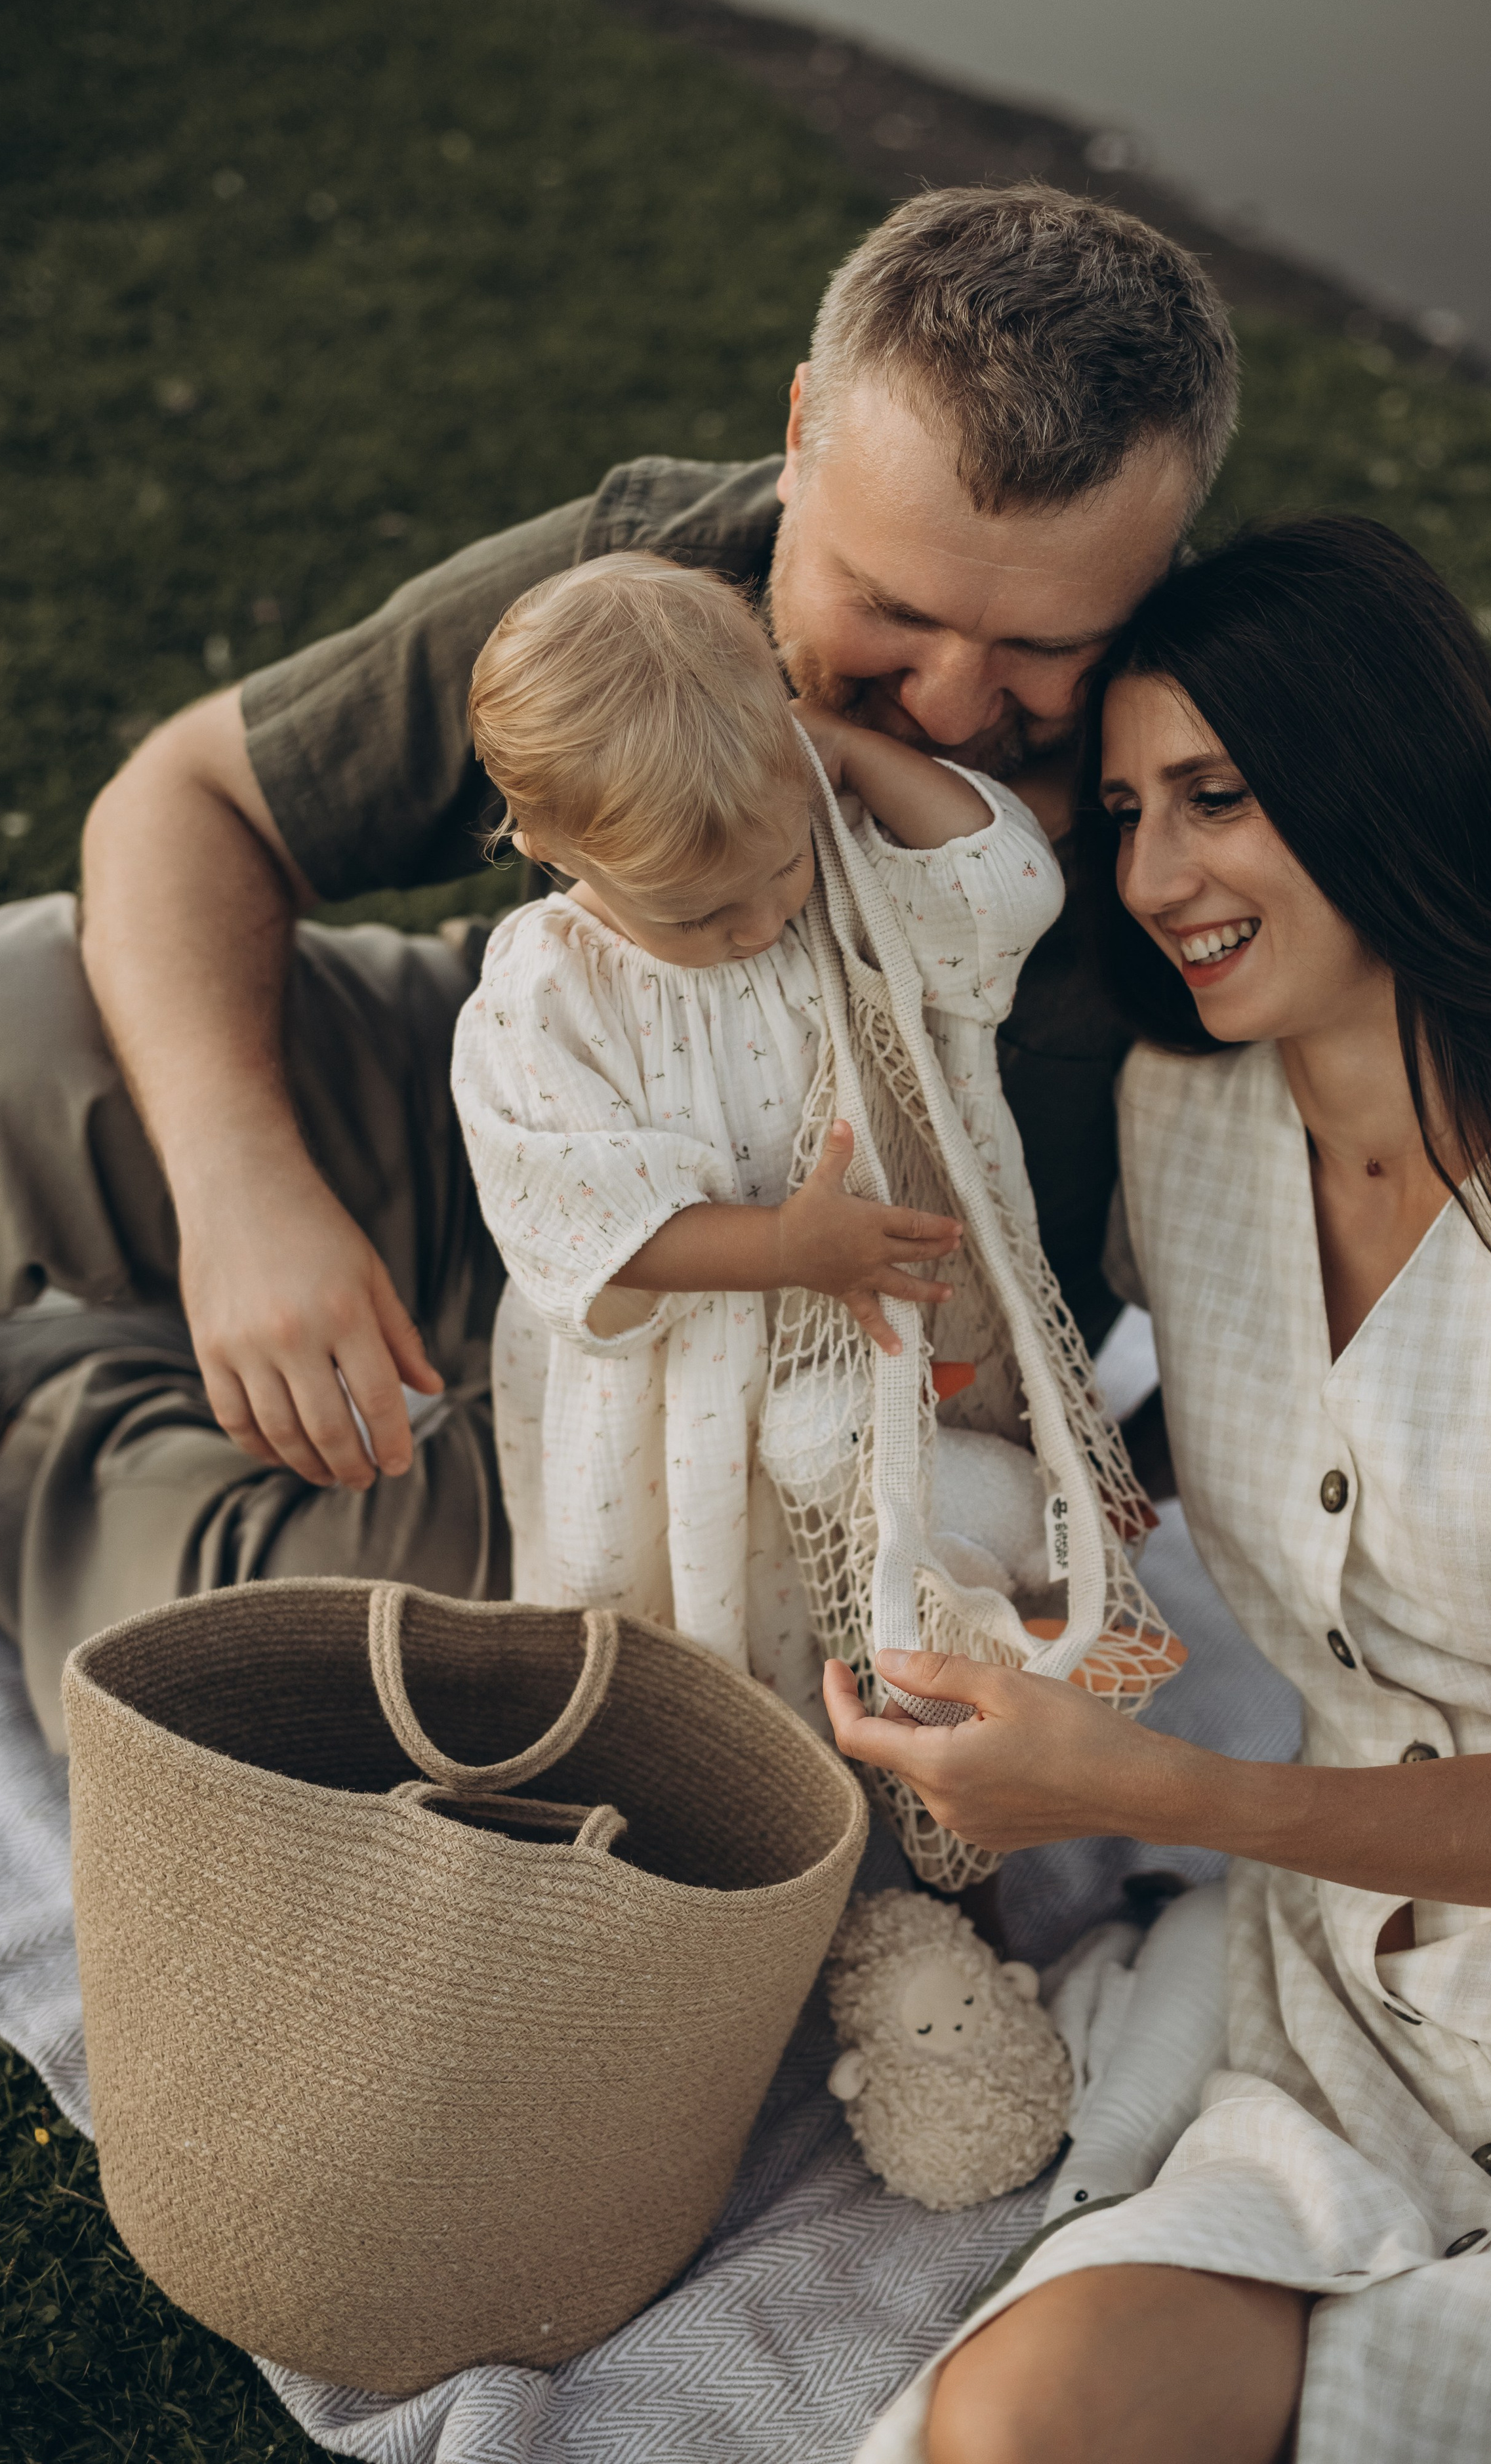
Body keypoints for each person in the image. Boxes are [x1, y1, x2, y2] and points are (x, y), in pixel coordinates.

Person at [0, 185, 1237, 1733]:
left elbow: (1388, 1187)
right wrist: (243, 1194)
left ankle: (43, 1422)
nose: (956, 710)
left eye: (1044, 647)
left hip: (766, 1422)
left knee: (340, 1684)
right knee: (18, 1000)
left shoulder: (1228, 781)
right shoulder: (650, 585)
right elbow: (191, 800)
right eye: (888, 613)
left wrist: (1119, 1491)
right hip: (526, 1125)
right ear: (798, 435)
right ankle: (202, 1306)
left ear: (1162, 561)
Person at [830, 517, 1491, 2464]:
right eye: (1121, 811)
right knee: (1013, 2430)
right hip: (1346, 2024)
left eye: (1219, 797)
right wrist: (1053, 1549)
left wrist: (1150, 1792)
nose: (1157, 876)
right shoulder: (1182, 1116)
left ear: (1381, 784)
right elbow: (1295, 1428)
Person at [451, 550, 1062, 1714]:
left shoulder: (830, 863)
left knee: (888, 1581)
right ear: (549, 847)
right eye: (699, 912)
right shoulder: (548, 997)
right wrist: (786, 1250)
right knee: (698, 1622)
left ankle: (932, 1803)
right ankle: (739, 1813)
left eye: (779, 870)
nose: (761, 922)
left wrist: (841, 755)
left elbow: (1005, 892)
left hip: (858, 1357)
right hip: (679, 1404)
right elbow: (581, 1226)